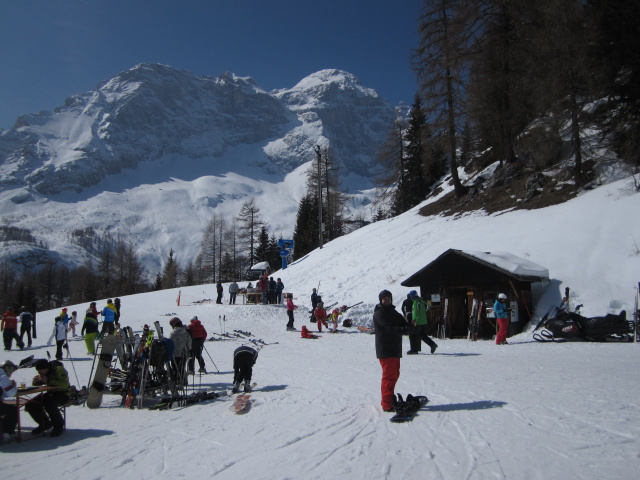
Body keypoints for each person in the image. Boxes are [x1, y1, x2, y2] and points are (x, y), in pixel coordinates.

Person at [373, 289, 411, 412]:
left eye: (388, 298)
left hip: (394, 348)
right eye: (384, 299)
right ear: (381, 300)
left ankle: (389, 398)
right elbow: (388, 328)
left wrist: (409, 327)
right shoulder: (379, 313)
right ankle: (386, 403)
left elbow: (403, 322)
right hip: (386, 349)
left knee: (394, 374)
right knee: (389, 377)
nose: (387, 301)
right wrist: (403, 329)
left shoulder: (393, 312)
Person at [25, 358, 71, 437]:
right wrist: (36, 382)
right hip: (51, 393)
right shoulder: (44, 373)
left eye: (40, 371)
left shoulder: (59, 369)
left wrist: (49, 381)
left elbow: (64, 385)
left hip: (63, 393)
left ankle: (59, 426)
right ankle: (45, 424)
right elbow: (42, 384)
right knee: (30, 405)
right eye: (38, 371)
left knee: (49, 404)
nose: (39, 373)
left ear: (46, 368)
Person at [406, 290, 438, 354]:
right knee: (421, 335)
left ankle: (414, 350)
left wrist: (414, 319)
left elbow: (415, 311)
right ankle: (432, 345)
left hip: (418, 321)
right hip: (423, 321)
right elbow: (428, 308)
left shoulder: (416, 302)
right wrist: (422, 313)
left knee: (414, 334)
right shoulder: (422, 300)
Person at [169, 317, 192, 385]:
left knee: (175, 368)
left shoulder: (173, 333)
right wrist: (188, 350)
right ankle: (182, 381)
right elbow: (189, 343)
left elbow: (170, 344)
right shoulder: (186, 332)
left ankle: (176, 381)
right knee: (182, 368)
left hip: (174, 354)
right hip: (183, 353)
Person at [0, 360, 19, 442]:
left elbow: (2, 393)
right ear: (6, 368)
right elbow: (12, 393)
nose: (11, 372)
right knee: (13, 409)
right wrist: (13, 386)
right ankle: (6, 434)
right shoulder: (3, 377)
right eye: (11, 370)